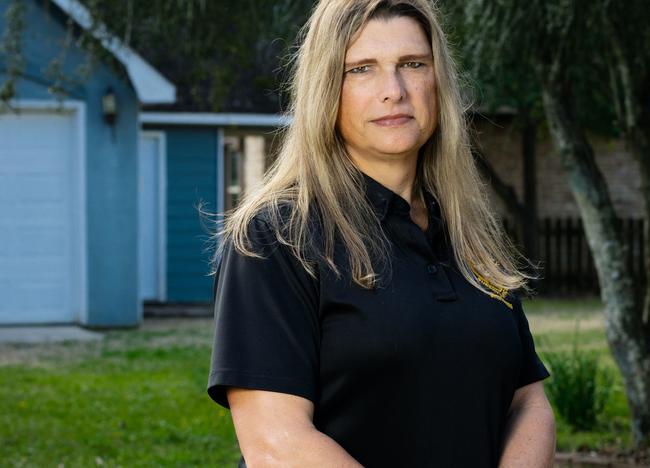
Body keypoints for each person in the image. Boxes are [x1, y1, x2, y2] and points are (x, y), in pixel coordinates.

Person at [207, 0, 556, 466]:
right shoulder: (275, 237)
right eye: (361, 69)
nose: (394, 90)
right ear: (326, 89)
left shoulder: (468, 234)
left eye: (413, 64)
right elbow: (276, 442)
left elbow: (528, 401)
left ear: (438, 82)